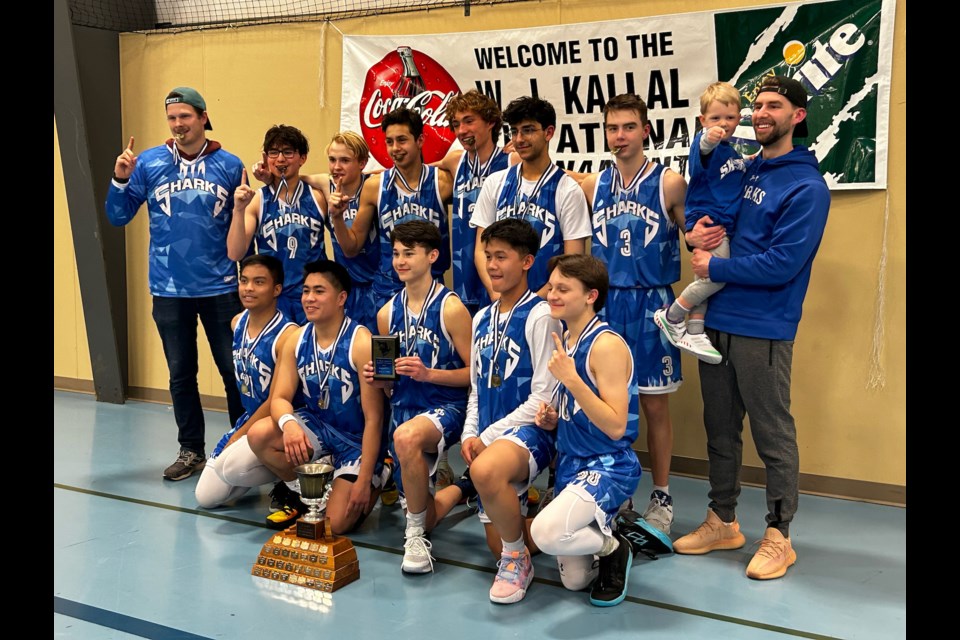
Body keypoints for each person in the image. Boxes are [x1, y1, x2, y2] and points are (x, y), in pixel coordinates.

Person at [675, 75, 830, 581]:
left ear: (797, 116)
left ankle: (780, 535)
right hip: (715, 319)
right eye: (758, 105)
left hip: (763, 327)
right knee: (720, 429)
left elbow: (783, 263)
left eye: (775, 106)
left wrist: (714, 269)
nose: (762, 113)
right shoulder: (742, 167)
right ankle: (722, 520)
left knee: (771, 433)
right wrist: (693, 233)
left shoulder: (806, 186)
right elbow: (710, 219)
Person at [106, 86, 245, 481]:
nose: (178, 124)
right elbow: (117, 217)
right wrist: (119, 180)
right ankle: (191, 450)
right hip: (168, 289)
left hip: (220, 288)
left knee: (234, 370)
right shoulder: (147, 163)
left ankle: (241, 444)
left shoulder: (230, 165)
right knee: (180, 372)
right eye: (172, 118)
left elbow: (242, 227)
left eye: (185, 116)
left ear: (203, 117)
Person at [579, 93, 687, 534]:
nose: (619, 136)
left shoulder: (669, 183)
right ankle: (618, 491)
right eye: (612, 128)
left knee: (656, 408)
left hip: (653, 302)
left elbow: (701, 236)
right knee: (610, 405)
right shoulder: (592, 185)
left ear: (646, 129)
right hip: (607, 303)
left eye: (628, 127)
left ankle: (661, 495)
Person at [441, 218, 562, 604]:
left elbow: (543, 395)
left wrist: (488, 438)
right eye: (488, 256)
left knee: (486, 470)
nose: (493, 266)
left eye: (502, 257)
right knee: (504, 539)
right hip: (492, 438)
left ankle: (518, 561)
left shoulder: (541, 315)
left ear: (527, 262)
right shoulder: (480, 319)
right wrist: (470, 433)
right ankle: (553, 527)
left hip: (532, 433)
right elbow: (477, 388)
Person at [529, 254, 640, 607]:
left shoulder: (605, 345)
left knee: (545, 533)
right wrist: (555, 419)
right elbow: (581, 409)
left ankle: (614, 547)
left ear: (591, 295)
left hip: (607, 464)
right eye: (551, 287)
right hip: (571, 465)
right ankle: (607, 534)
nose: (552, 295)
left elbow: (616, 424)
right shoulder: (569, 338)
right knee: (575, 582)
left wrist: (572, 380)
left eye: (563, 289)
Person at [246, 260, 389, 534]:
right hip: (320, 427)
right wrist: (288, 425)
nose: (309, 298)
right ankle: (307, 493)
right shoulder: (297, 338)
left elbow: (375, 419)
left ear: (341, 298)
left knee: (336, 526)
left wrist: (362, 481)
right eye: (306, 291)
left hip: (356, 441)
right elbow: (279, 398)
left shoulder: (361, 342)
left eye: (319, 291)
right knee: (260, 434)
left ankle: (380, 475)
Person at [363, 220, 472, 574]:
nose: (400, 260)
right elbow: (388, 383)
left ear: (433, 256)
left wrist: (429, 374)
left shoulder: (452, 308)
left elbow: (475, 375)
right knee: (427, 512)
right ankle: (463, 488)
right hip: (404, 409)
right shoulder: (385, 314)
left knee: (406, 437)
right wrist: (377, 381)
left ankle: (412, 535)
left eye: (409, 253)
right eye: (395, 253)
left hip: (446, 406)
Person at [653, 82, 747, 365]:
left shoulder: (731, 153)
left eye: (730, 118)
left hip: (719, 223)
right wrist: (709, 136)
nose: (723, 124)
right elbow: (703, 149)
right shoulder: (706, 145)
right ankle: (671, 315)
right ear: (702, 120)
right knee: (716, 277)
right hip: (710, 223)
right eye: (715, 118)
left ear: (739, 119)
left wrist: (750, 160)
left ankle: (694, 331)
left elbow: (736, 170)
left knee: (703, 280)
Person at [195, 255, 299, 508]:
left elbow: (276, 400)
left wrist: (237, 436)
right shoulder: (237, 322)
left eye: (259, 282)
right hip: (251, 417)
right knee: (206, 497)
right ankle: (269, 466)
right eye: (244, 281)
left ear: (276, 289)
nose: (249, 288)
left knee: (232, 468)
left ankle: (297, 478)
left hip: (279, 422)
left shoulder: (288, 335)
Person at [326, 108, 453, 311]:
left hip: (432, 289)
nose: (395, 148)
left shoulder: (443, 182)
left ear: (420, 140)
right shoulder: (375, 186)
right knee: (385, 343)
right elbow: (352, 248)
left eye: (402, 140)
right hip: (387, 291)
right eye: (389, 141)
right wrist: (337, 218)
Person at [471, 96, 591, 298]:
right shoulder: (495, 183)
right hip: (498, 303)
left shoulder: (567, 190)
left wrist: (533, 304)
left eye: (528, 130)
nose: (519, 139)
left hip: (547, 305)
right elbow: (480, 251)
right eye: (514, 131)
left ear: (548, 132)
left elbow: (572, 261)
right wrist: (496, 295)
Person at [228, 124, 327, 325]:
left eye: (288, 152)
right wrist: (238, 209)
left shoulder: (317, 196)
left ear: (303, 158)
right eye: (274, 153)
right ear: (265, 158)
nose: (280, 159)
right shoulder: (257, 200)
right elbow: (235, 253)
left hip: (311, 297)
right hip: (273, 299)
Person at [433, 89, 516, 317]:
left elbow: (555, 173)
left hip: (497, 266)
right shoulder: (455, 160)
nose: (462, 130)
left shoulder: (510, 160)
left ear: (490, 122)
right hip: (464, 269)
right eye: (456, 124)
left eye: (469, 121)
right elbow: (412, 171)